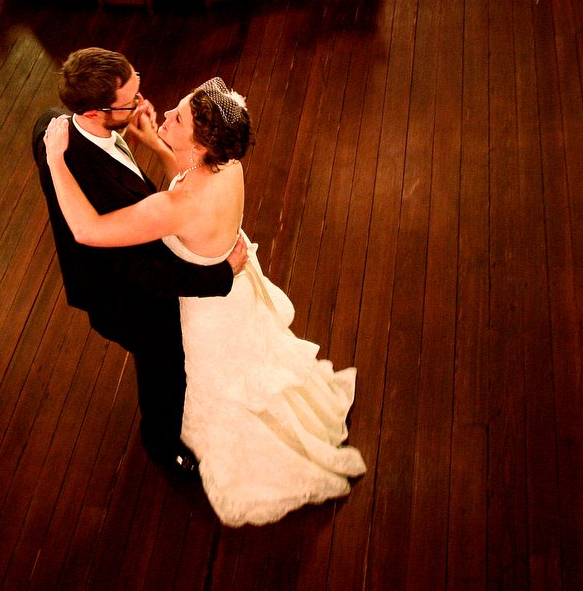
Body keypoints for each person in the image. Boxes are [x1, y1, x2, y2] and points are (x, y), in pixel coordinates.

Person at [40, 75, 365, 525]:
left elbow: (88, 231)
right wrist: (154, 141)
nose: (165, 114)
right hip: (232, 292)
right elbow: (186, 165)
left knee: (200, 379)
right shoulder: (227, 164)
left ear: (200, 144)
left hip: (201, 308)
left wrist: (56, 161)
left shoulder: (175, 207)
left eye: (177, 117)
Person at [31, 50, 244, 477]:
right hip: (126, 295)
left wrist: (145, 137)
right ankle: (162, 445)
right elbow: (135, 265)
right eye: (131, 100)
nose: (144, 102)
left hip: (138, 245)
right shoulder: (81, 170)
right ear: (94, 110)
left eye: (137, 83)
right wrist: (220, 274)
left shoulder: (50, 124)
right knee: (164, 365)